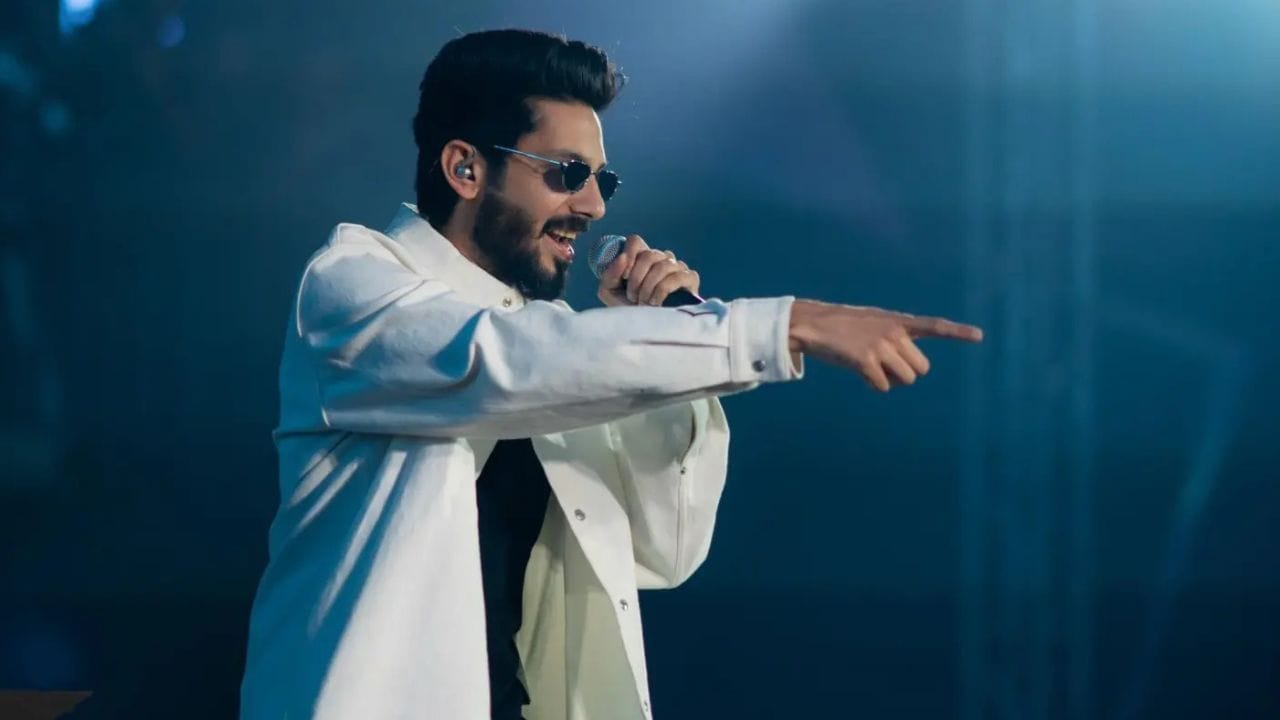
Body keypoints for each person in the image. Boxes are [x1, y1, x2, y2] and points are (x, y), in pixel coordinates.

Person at [239, 28, 983, 720]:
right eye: (567, 173)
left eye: (603, 180)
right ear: (465, 168)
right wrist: (780, 325)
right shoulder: (353, 287)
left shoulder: (565, 353)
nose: (593, 206)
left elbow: (668, 550)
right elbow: (501, 364)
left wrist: (668, 351)